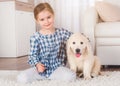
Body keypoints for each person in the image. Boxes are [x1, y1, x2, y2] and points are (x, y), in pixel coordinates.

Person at [17, 2, 76, 83]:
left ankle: (53, 77)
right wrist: (37, 65)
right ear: (37, 21)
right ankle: (45, 78)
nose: (46, 21)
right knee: (22, 78)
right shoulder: (35, 37)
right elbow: (32, 55)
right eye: (42, 19)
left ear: (53, 15)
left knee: (70, 76)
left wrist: (83, 39)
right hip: (40, 70)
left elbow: (75, 38)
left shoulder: (61, 32)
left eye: (49, 17)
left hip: (57, 68)